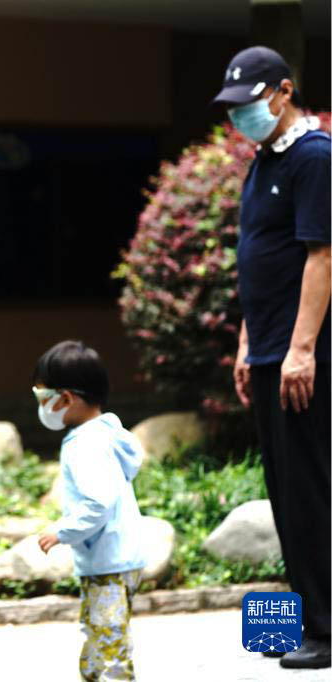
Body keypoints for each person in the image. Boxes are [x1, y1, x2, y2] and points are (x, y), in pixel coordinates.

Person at [212, 46, 331, 670]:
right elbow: (256, 261)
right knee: (284, 490)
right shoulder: (264, 161)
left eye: (250, 104)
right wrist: (246, 344)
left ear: (284, 92)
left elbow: (322, 257)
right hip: (266, 350)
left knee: (311, 487)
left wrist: (300, 350)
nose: (241, 118)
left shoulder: (315, 157)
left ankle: (326, 629)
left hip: (299, 354)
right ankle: (298, 620)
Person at [33, 340, 146, 681]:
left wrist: (63, 531)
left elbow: (99, 502)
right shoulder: (108, 432)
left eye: (42, 397)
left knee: (109, 640)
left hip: (108, 562)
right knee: (101, 632)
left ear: (65, 398)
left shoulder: (86, 443)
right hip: (118, 557)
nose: (41, 406)